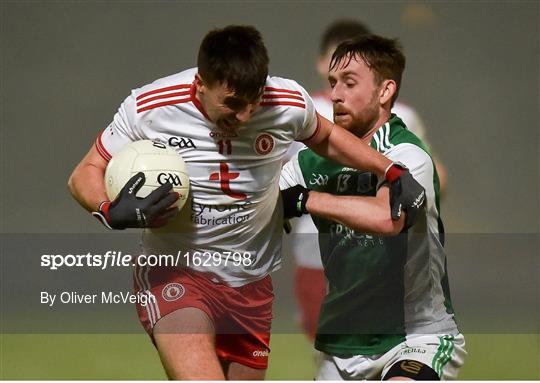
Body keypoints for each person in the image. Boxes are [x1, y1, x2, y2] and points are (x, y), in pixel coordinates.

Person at [68, 25, 425, 380]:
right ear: (200, 86)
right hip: (178, 273)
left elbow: (327, 137)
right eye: (232, 104)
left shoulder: (285, 102)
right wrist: (108, 210)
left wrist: (392, 171)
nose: (244, 117)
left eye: (253, 102)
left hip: (250, 282)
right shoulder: (151, 107)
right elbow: (86, 170)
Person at [280, 34, 465, 380]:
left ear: (385, 91)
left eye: (349, 83)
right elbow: (261, 209)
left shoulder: (408, 155)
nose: (335, 95)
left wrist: (307, 200)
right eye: (333, 84)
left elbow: (386, 218)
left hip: (414, 336)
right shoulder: (306, 164)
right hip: (341, 344)